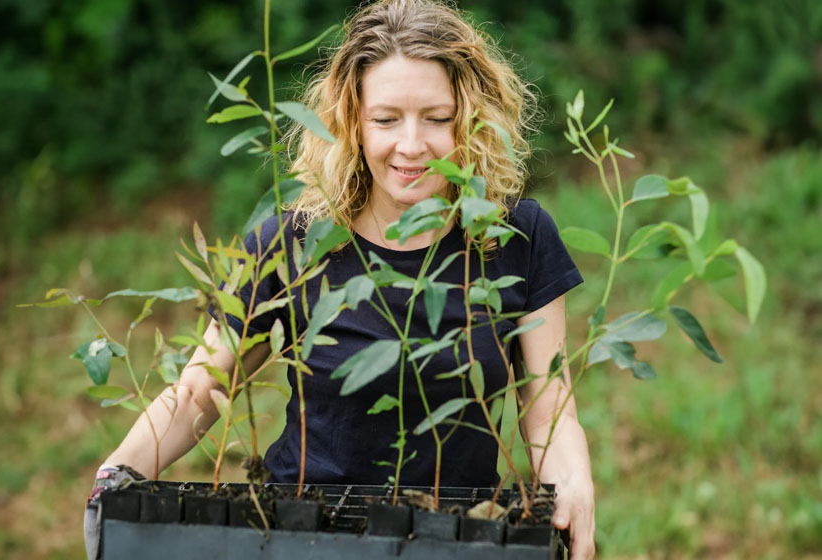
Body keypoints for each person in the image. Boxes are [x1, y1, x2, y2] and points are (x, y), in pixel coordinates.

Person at [84, 0, 595, 558]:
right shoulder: (294, 241)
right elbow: (197, 394)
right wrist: (115, 477)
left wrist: (573, 486)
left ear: (470, 118)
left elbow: (548, 406)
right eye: (385, 119)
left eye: (437, 117)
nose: (411, 144)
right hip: (304, 534)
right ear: (351, 121)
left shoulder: (514, 236)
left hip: (459, 537)